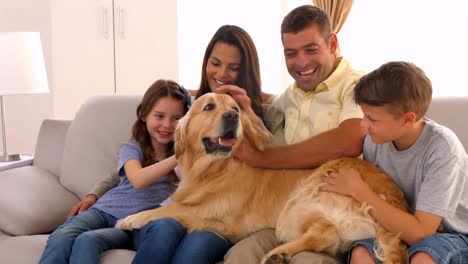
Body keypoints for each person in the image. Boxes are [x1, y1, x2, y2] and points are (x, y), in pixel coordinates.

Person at [65, 24, 275, 263]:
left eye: (233, 68)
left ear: (245, 70)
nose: (222, 73)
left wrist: (250, 110)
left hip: (227, 216)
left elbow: (274, 159)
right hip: (187, 208)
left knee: (191, 252)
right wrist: (95, 193)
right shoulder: (189, 105)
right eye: (215, 63)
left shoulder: (259, 111)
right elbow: (140, 157)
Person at [218, 5, 365, 264]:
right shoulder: (291, 97)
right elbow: (262, 107)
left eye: (311, 50)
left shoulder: (357, 85)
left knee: (307, 261)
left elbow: (349, 140)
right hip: (287, 212)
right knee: (240, 255)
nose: (302, 63)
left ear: (332, 43)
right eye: (291, 53)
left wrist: (264, 158)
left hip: (334, 214)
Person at [321, 61, 468, 263]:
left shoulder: (443, 150)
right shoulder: (374, 143)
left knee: (423, 256)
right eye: (364, 115)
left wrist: (358, 190)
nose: (364, 125)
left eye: (372, 119)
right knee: (361, 254)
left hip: (452, 234)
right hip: (399, 225)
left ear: (407, 120)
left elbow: (421, 233)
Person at [39, 79, 192, 264]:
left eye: (176, 118)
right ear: (144, 115)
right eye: (159, 116)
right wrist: (178, 157)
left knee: (87, 240)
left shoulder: (187, 157)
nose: (167, 125)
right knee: (63, 234)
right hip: (106, 210)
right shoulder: (133, 148)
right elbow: (137, 179)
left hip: (135, 224)